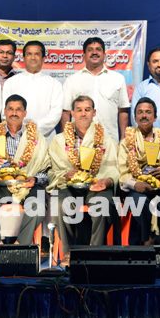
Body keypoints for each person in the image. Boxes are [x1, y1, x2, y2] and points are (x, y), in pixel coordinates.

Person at [48, 96, 118, 261]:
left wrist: (106, 181)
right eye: (79, 110)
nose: (83, 114)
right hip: (68, 186)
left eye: (87, 110)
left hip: (96, 185)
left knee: (102, 204)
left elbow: (114, 169)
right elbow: (52, 171)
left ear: (94, 113)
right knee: (59, 204)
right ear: (72, 113)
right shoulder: (59, 140)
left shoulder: (105, 139)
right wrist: (65, 174)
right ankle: (68, 253)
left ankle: (94, 254)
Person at [0, 94, 50, 246]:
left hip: (27, 185)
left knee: (38, 204)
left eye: (18, 109)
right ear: (4, 111)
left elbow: (47, 170)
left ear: (25, 113)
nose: (14, 113)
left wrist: (35, 179)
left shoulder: (38, 139)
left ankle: (20, 247)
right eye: (10, 109)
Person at [118, 97, 160, 245]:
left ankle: (155, 238)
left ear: (155, 117)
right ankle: (148, 239)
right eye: (140, 112)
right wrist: (135, 184)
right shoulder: (126, 142)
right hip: (137, 186)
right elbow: (122, 173)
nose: (144, 115)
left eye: (148, 112)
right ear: (135, 117)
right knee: (139, 202)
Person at [62, 37, 130, 141]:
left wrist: (123, 139)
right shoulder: (72, 80)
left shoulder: (118, 79)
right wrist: (67, 140)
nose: (94, 52)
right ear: (84, 55)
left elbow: (123, 111)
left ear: (104, 55)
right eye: (90, 50)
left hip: (109, 140)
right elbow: (66, 113)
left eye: (98, 49)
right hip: (80, 140)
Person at [3, 41, 63, 138]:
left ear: (43, 58)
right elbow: (5, 113)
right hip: (16, 137)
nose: (33, 57)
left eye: (37, 54)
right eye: (29, 54)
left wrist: (33, 130)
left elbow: (55, 114)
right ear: (23, 58)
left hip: (46, 137)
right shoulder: (10, 83)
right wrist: (20, 130)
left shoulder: (55, 84)